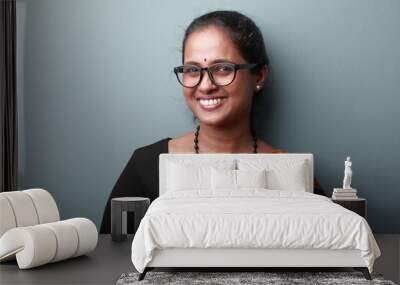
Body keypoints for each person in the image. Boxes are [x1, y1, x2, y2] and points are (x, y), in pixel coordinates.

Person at [100, 10, 324, 234]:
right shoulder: (147, 166)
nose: (205, 85)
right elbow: (110, 259)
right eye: (192, 70)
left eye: (223, 68)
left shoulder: (291, 171)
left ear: (259, 76)